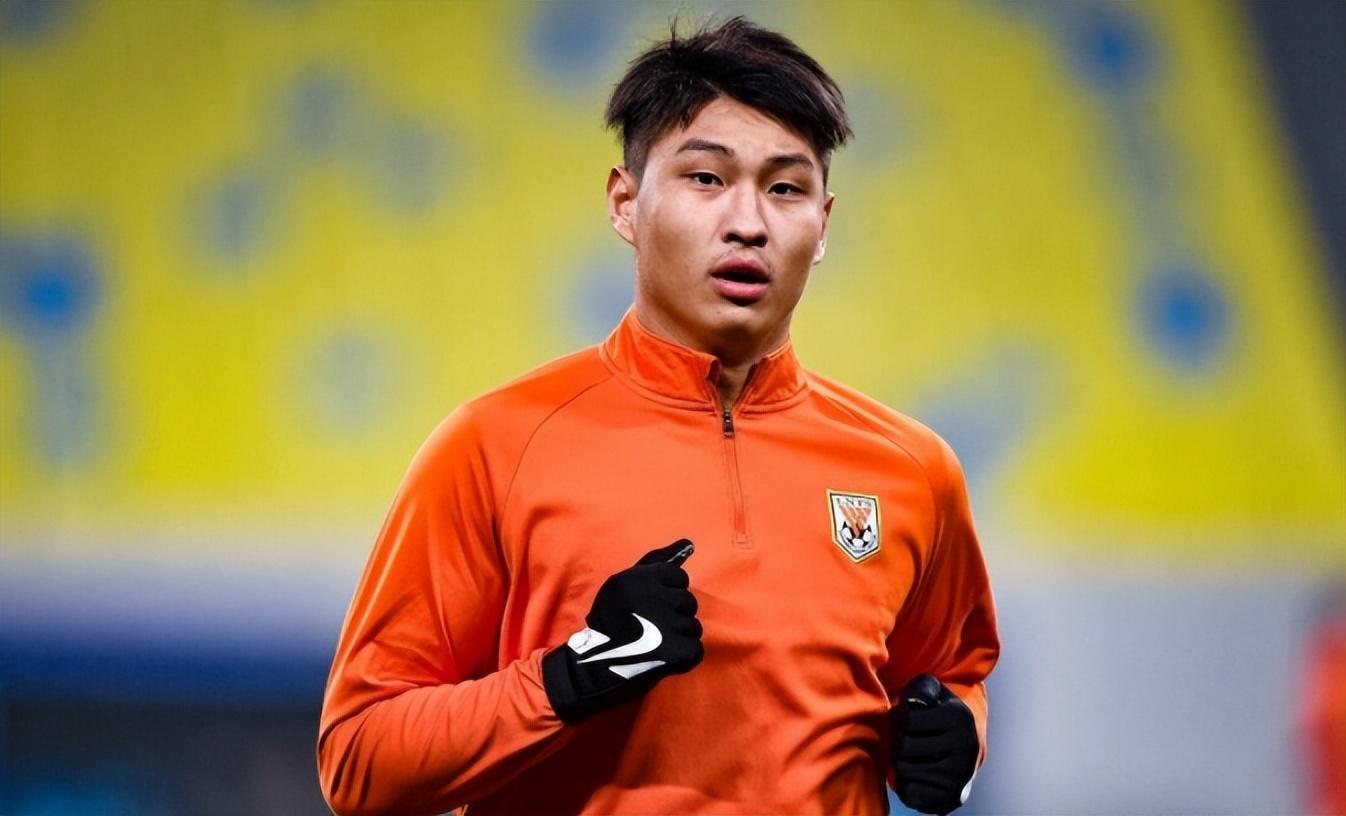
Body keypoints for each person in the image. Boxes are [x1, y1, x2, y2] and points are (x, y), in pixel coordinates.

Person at [317, 16, 999, 816]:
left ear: (823, 224)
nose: (748, 223)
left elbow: (951, 677)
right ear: (625, 202)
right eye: (706, 178)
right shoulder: (494, 446)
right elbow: (359, 761)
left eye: (785, 188)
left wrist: (956, 745)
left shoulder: (914, 471)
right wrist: (573, 675)